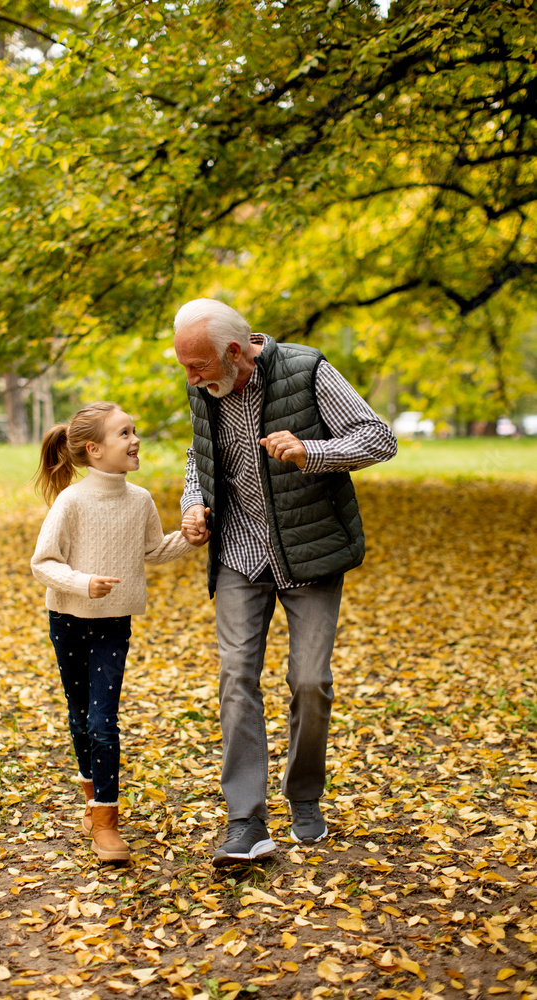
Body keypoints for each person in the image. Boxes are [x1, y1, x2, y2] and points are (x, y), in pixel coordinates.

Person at [175, 299, 397, 868]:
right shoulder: (206, 388)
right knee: (235, 676)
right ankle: (245, 821)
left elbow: (378, 439)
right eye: (184, 366)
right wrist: (194, 505)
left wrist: (312, 451)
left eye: (197, 365)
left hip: (309, 552)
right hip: (239, 553)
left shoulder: (308, 370)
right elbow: (197, 458)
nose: (190, 376)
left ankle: (304, 796)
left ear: (233, 352)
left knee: (309, 681)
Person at [31, 402, 194, 862]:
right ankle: (90, 797)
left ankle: (105, 821)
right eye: (124, 433)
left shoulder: (139, 499)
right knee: (80, 713)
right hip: (67, 620)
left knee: (104, 721)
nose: (134, 439)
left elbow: (153, 549)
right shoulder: (72, 502)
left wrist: (191, 538)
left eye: (133, 431)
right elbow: (43, 562)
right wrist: (84, 584)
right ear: (94, 449)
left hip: (113, 625)